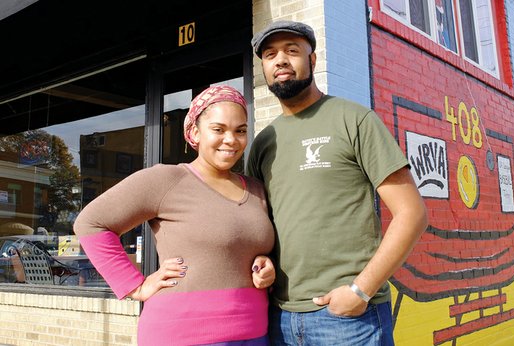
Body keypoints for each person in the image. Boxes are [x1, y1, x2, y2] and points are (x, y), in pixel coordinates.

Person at [247, 21, 429, 345]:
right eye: (271, 54)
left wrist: (361, 290)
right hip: (280, 319)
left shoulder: (354, 120)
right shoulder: (263, 143)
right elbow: (258, 226)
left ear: (313, 61)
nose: (281, 61)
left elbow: (412, 213)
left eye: (292, 51)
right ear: (263, 68)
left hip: (348, 320)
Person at [74, 85, 276, 346]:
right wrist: (136, 285)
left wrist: (266, 264)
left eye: (240, 130)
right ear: (194, 131)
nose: (231, 139)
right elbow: (91, 224)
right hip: (182, 335)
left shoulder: (257, 189)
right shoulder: (166, 179)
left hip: (255, 332)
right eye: (218, 129)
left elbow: (242, 248)